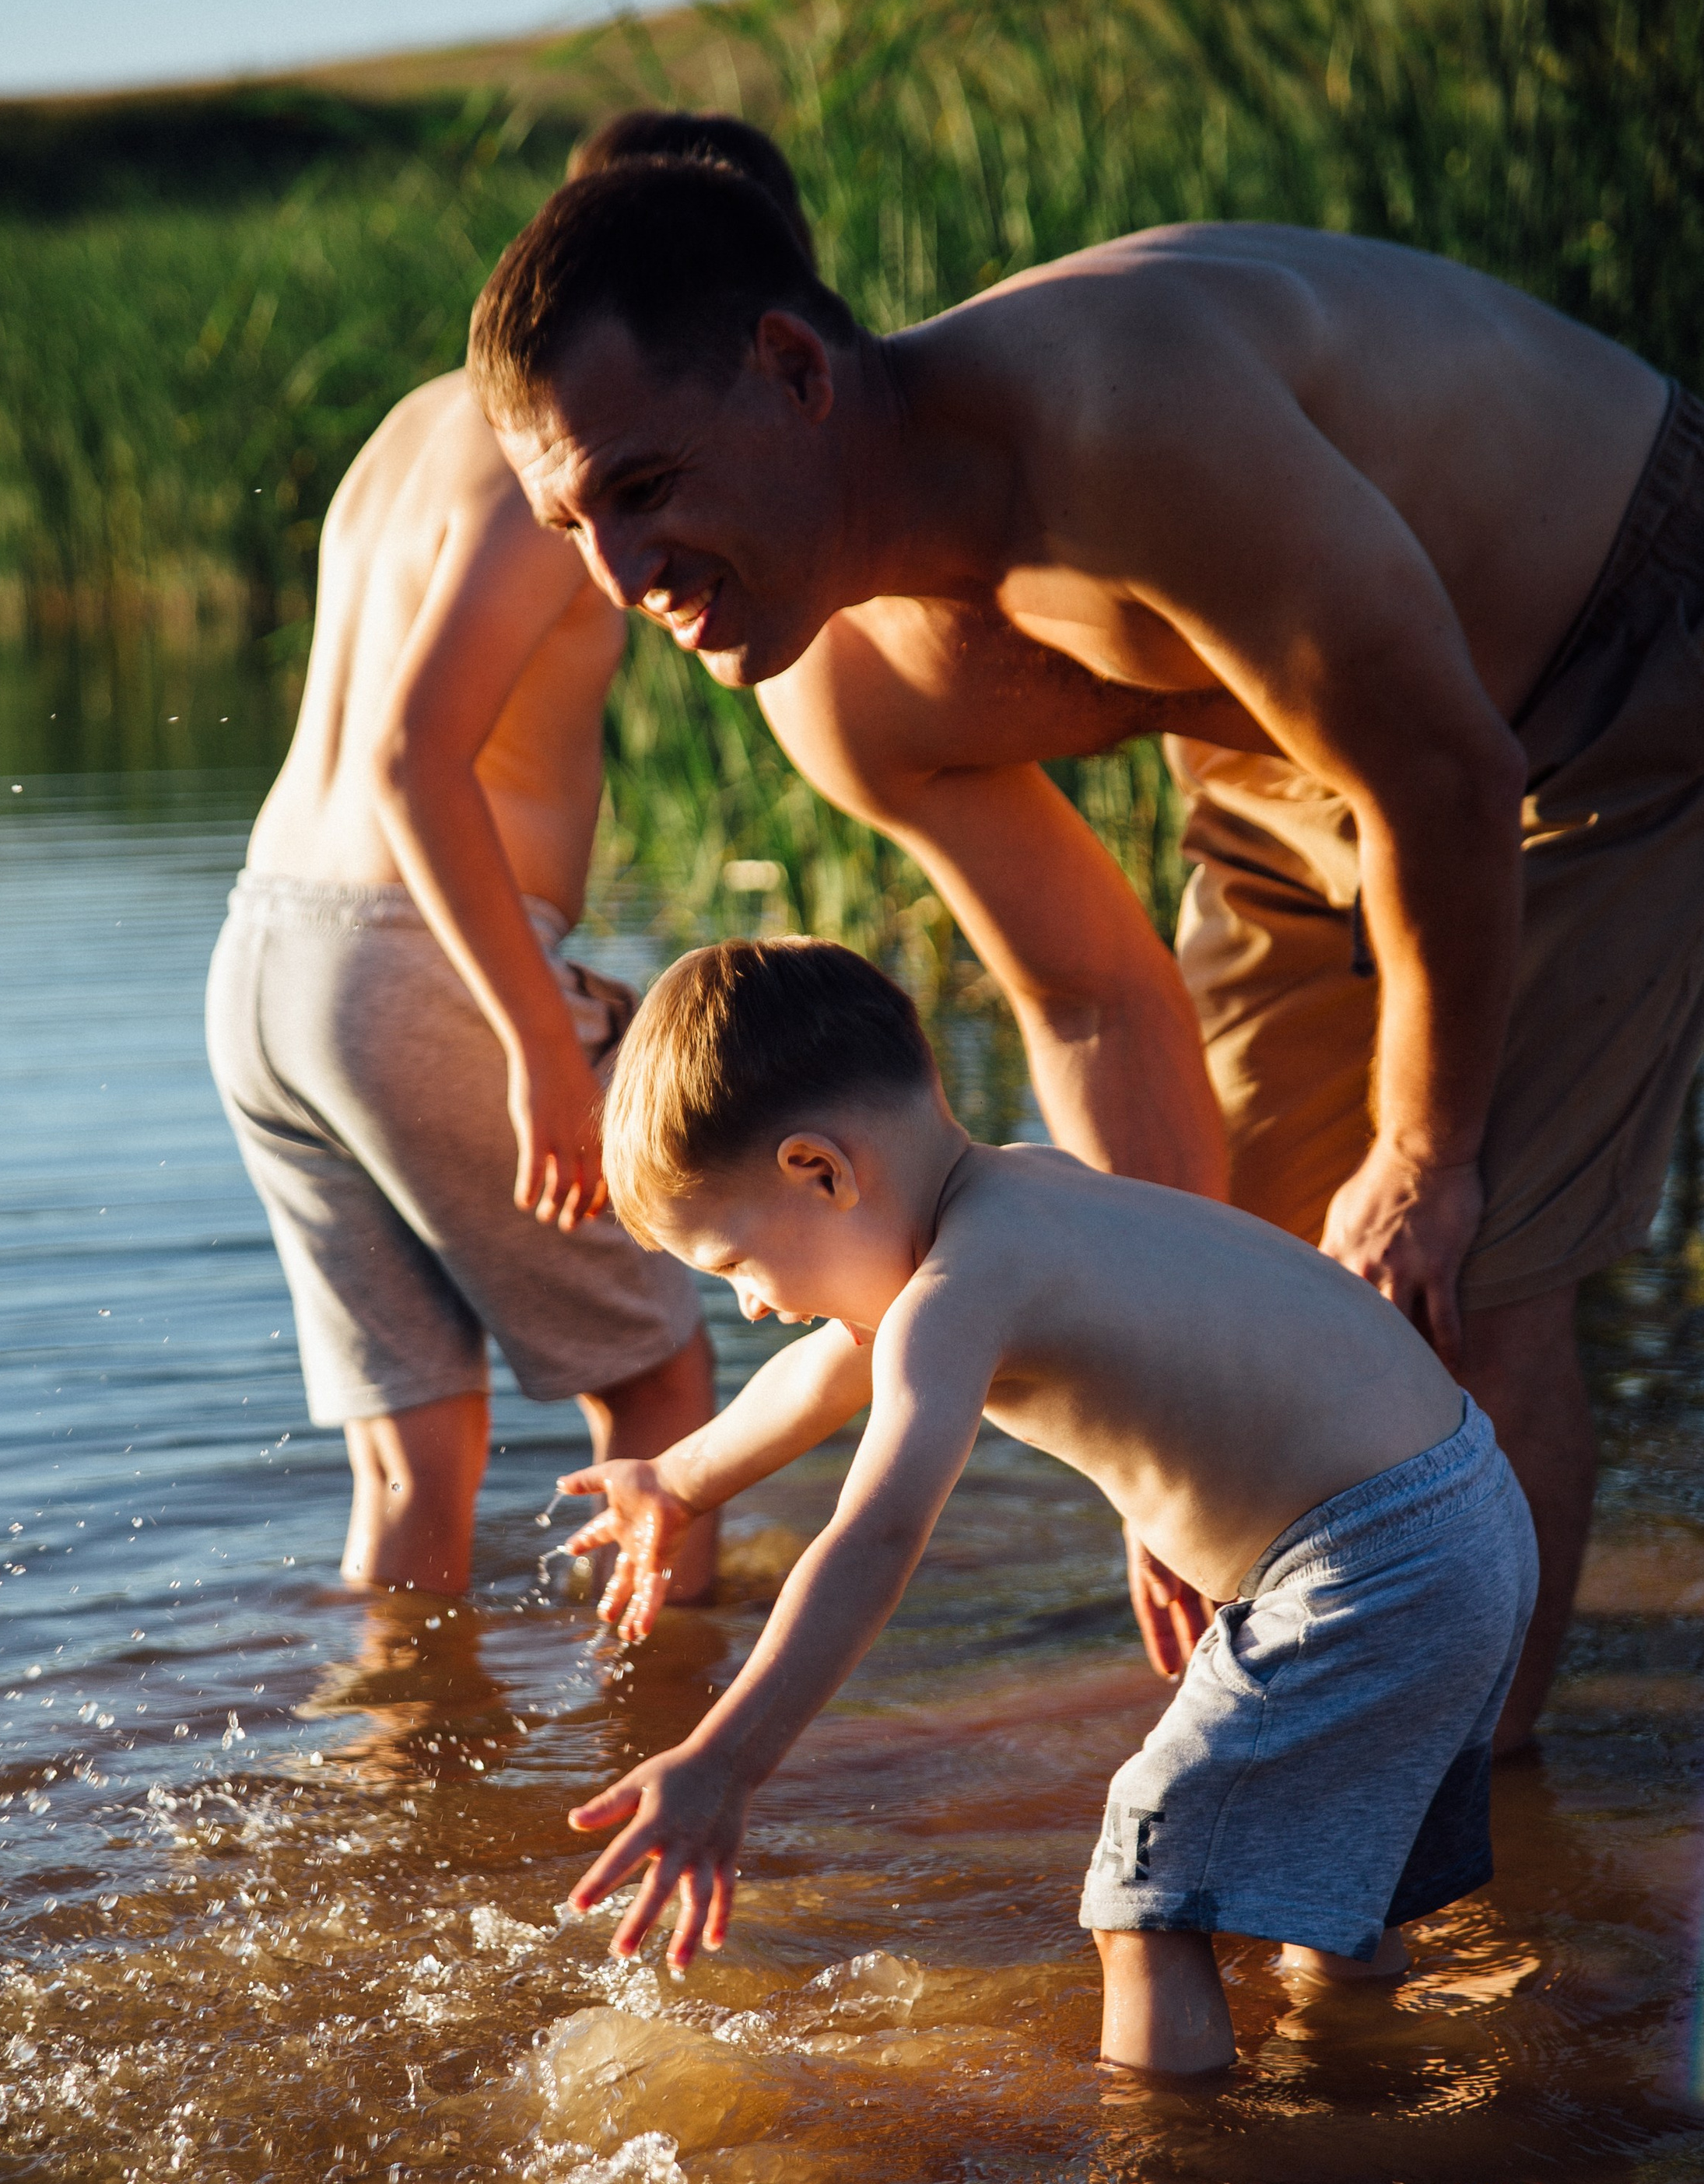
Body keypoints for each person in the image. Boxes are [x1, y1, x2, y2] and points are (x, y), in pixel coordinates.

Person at [467, 170, 1704, 1748]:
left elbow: (1441, 776)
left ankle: (1467, 1841)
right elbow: (1083, 997)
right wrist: (1159, 1409)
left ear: (793, 370)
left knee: (1466, 1273)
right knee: (1258, 1291)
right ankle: (1324, 1811)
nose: (624, 580)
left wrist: (1422, 1152)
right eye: (574, 524)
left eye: (644, 485)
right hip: (1294, 741)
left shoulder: (1119, 417)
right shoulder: (831, 684)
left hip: (1586, 652)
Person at [551, 938, 1536, 2074]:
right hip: (1468, 1508)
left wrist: (727, 1760)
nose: (753, 1307)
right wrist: (680, 1479)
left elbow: (873, 1534)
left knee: (1145, 1898)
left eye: (733, 1262)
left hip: (1369, 1566)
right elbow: (836, 1366)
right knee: (1327, 1902)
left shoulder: (962, 1291)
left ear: (820, 1170)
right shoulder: (1027, 1185)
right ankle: (1363, 2108)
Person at [205, 114, 812, 1598]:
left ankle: (403, 1783)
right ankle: (664, 1751)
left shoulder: (416, 421)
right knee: (662, 1387)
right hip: (417, 967)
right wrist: (539, 1041)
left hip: (265, 966)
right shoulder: (564, 460)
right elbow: (420, 762)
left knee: (417, 1458)